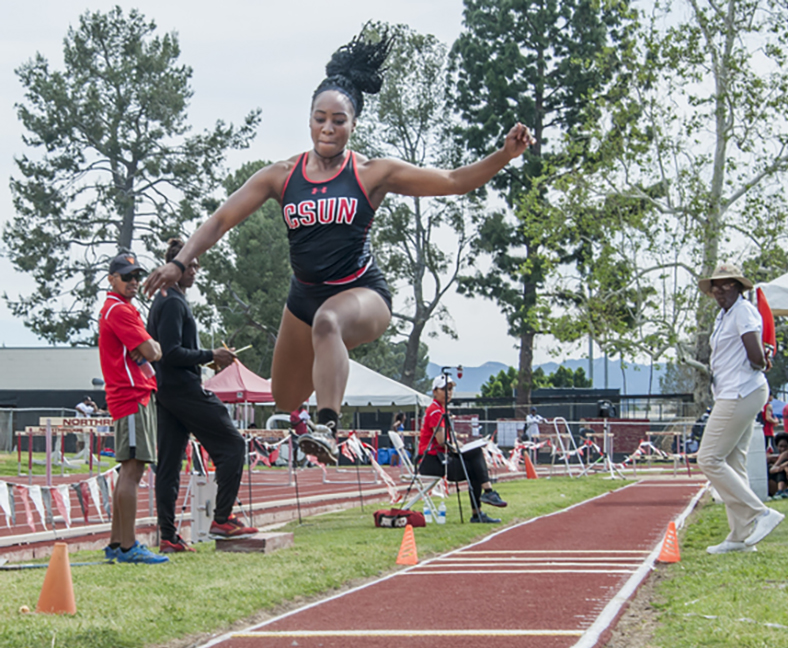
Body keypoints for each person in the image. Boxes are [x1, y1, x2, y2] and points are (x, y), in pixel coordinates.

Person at [144, 28, 532, 466]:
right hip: (302, 296)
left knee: (329, 322)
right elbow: (220, 220)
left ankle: (328, 424)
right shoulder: (282, 175)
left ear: (353, 124)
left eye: (338, 120)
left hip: (362, 292)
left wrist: (503, 155)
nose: (328, 128)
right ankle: (311, 415)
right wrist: (180, 261)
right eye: (320, 118)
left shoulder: (371, 173)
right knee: (284, 395)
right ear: (309, 119)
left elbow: (453, 182)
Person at [146, 238, 257, 551]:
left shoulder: (167, 298)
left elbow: (171, 352)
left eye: (196, 265)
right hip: (182, 388)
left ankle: (167, 536)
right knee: (233, 445)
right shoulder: (171, 302)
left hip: (167, 390)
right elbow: (170, 353)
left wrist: (209, 357)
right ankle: (222, 518)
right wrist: (210, 354)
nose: (195, 271)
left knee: (168, 465)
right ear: (175, 267)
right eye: (189, 265)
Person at [696, 263, 783, 553]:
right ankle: (740, 538)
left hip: (740, 392)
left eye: (726, 286)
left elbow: (756, 356)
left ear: (737, 287)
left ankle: (759, 514)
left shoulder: (743, 311)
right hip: (734, 391)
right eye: (715, 287)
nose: (719, 292)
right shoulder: (725, 315)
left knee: (708, 458)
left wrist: (763, 358)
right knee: (734, 462)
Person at [98, 252, 169, 564]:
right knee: (132, 470)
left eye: (137, 276)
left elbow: (151, 351)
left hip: (132, 395)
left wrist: (149, 348)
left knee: (129, 469)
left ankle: (117, 543)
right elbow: (153, 351)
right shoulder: (119, 311)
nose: (134, 282)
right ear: (112, 279)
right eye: (127, 276)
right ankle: (128, 547)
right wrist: (149, 347)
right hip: (131, 396)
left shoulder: (120, 309)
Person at [417, 374, 506, 524]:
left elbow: (447, 439)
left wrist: (458, 445)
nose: (449, 392)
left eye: (451, 389)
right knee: (475, 461)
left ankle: (479, 509)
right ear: (435, 391)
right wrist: (457, 447)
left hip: (440, 457)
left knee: (475, 463)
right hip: (432, 461)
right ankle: (487, 494)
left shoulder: (441, 410)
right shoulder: (435, 411)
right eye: (444, 389)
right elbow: (442, 441)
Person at [769, 431, 788, 499]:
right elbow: (772, 469)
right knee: (783, 463)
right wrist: (785, 467)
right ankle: (780, 491)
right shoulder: (786, 454)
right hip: (787, 478)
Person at [768, 432, 788, 497]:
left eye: (785, 446)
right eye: (780, 446)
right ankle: (779, 492)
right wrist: (784, 467)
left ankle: (782, 491)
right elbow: (772, 469)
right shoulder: (776, 457)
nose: (783, 449)